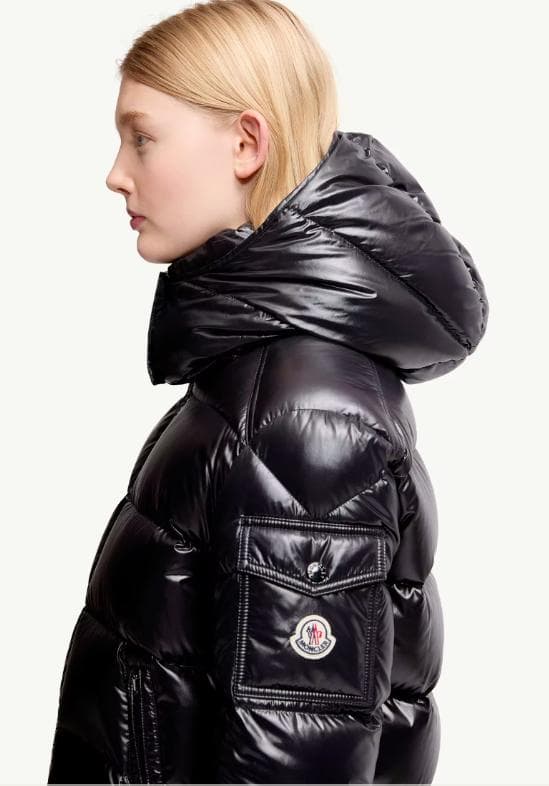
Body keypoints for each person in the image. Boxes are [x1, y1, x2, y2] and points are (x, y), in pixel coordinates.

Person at [46, 0, 489, 783]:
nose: (116, 173)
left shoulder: (302, 419)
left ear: (247, 143)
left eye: (142, 137)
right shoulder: (269, 379)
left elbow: (295, 762)